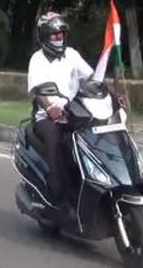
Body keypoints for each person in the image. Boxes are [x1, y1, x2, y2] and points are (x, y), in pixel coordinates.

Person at [27, 11, 93, 220]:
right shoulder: (37, 60)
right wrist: (49, 108)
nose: (59, 39)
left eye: (62, 34)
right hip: (47, 118)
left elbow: (92, 77)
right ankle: (57, 196)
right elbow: (38, 91)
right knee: (56, 141)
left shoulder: (72, 54)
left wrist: (112, 94)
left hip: (75, 113)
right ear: (45, 37)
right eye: (55, 35)